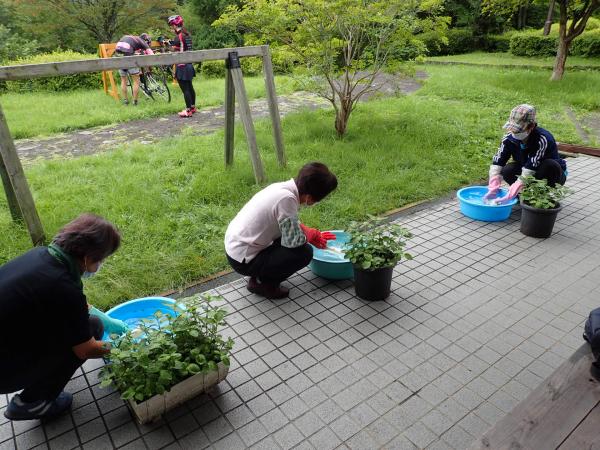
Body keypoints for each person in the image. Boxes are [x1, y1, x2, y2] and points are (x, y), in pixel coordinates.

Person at [0, 213, 125, 421]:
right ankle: (32, 403)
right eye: (101, 259)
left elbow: (71, 306)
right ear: (87, 258)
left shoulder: (42, 255)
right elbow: (87, 349)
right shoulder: (62, 286)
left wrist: (106, 318)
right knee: (92, 329)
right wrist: (125, 347)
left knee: (88, 323)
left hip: (8, 340)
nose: (100, 265)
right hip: (4, 372)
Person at [225, 162, 338, 299]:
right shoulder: (287, 199)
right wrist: (310, 235)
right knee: (304, 253)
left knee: (294, 240)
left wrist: (308, 232)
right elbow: (294, 242)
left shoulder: (281, 188)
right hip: (243, 260)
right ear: (309, 198)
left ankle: (259, 275)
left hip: (237, 248)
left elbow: (289, 224)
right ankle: (263, 284)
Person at [484, 104, 568, 204]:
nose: (514, 133)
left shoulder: (542, 139)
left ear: (531, 126)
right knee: (508, 169)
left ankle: (542, 196)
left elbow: (531, 166)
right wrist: (493, 186)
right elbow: (498, 161)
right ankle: (523, 194)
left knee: (549, 165)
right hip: (528, 170)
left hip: (552, 174)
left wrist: (517, 186)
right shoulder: (508, 138)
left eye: (519, 130)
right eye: (513, 129)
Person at [166, 15, 197, 118]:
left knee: (185, 89)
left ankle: (188, 111)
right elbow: (182, 47)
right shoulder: (187, 35)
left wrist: (167, 46)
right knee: (190, 87)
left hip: (182, 66)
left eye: (171, 26)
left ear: (175, 25)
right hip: (189, 64)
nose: (171, 28)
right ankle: (192, 107)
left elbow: (174, 50)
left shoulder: (178, 36)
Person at [114, 33, 154, 106]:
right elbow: (151, 54)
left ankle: (125, 101)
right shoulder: (142, 41)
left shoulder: (133, 38)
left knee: (123, 80)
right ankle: (135, 101)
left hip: (118, 53)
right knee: (136, 81)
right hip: (128, 54)